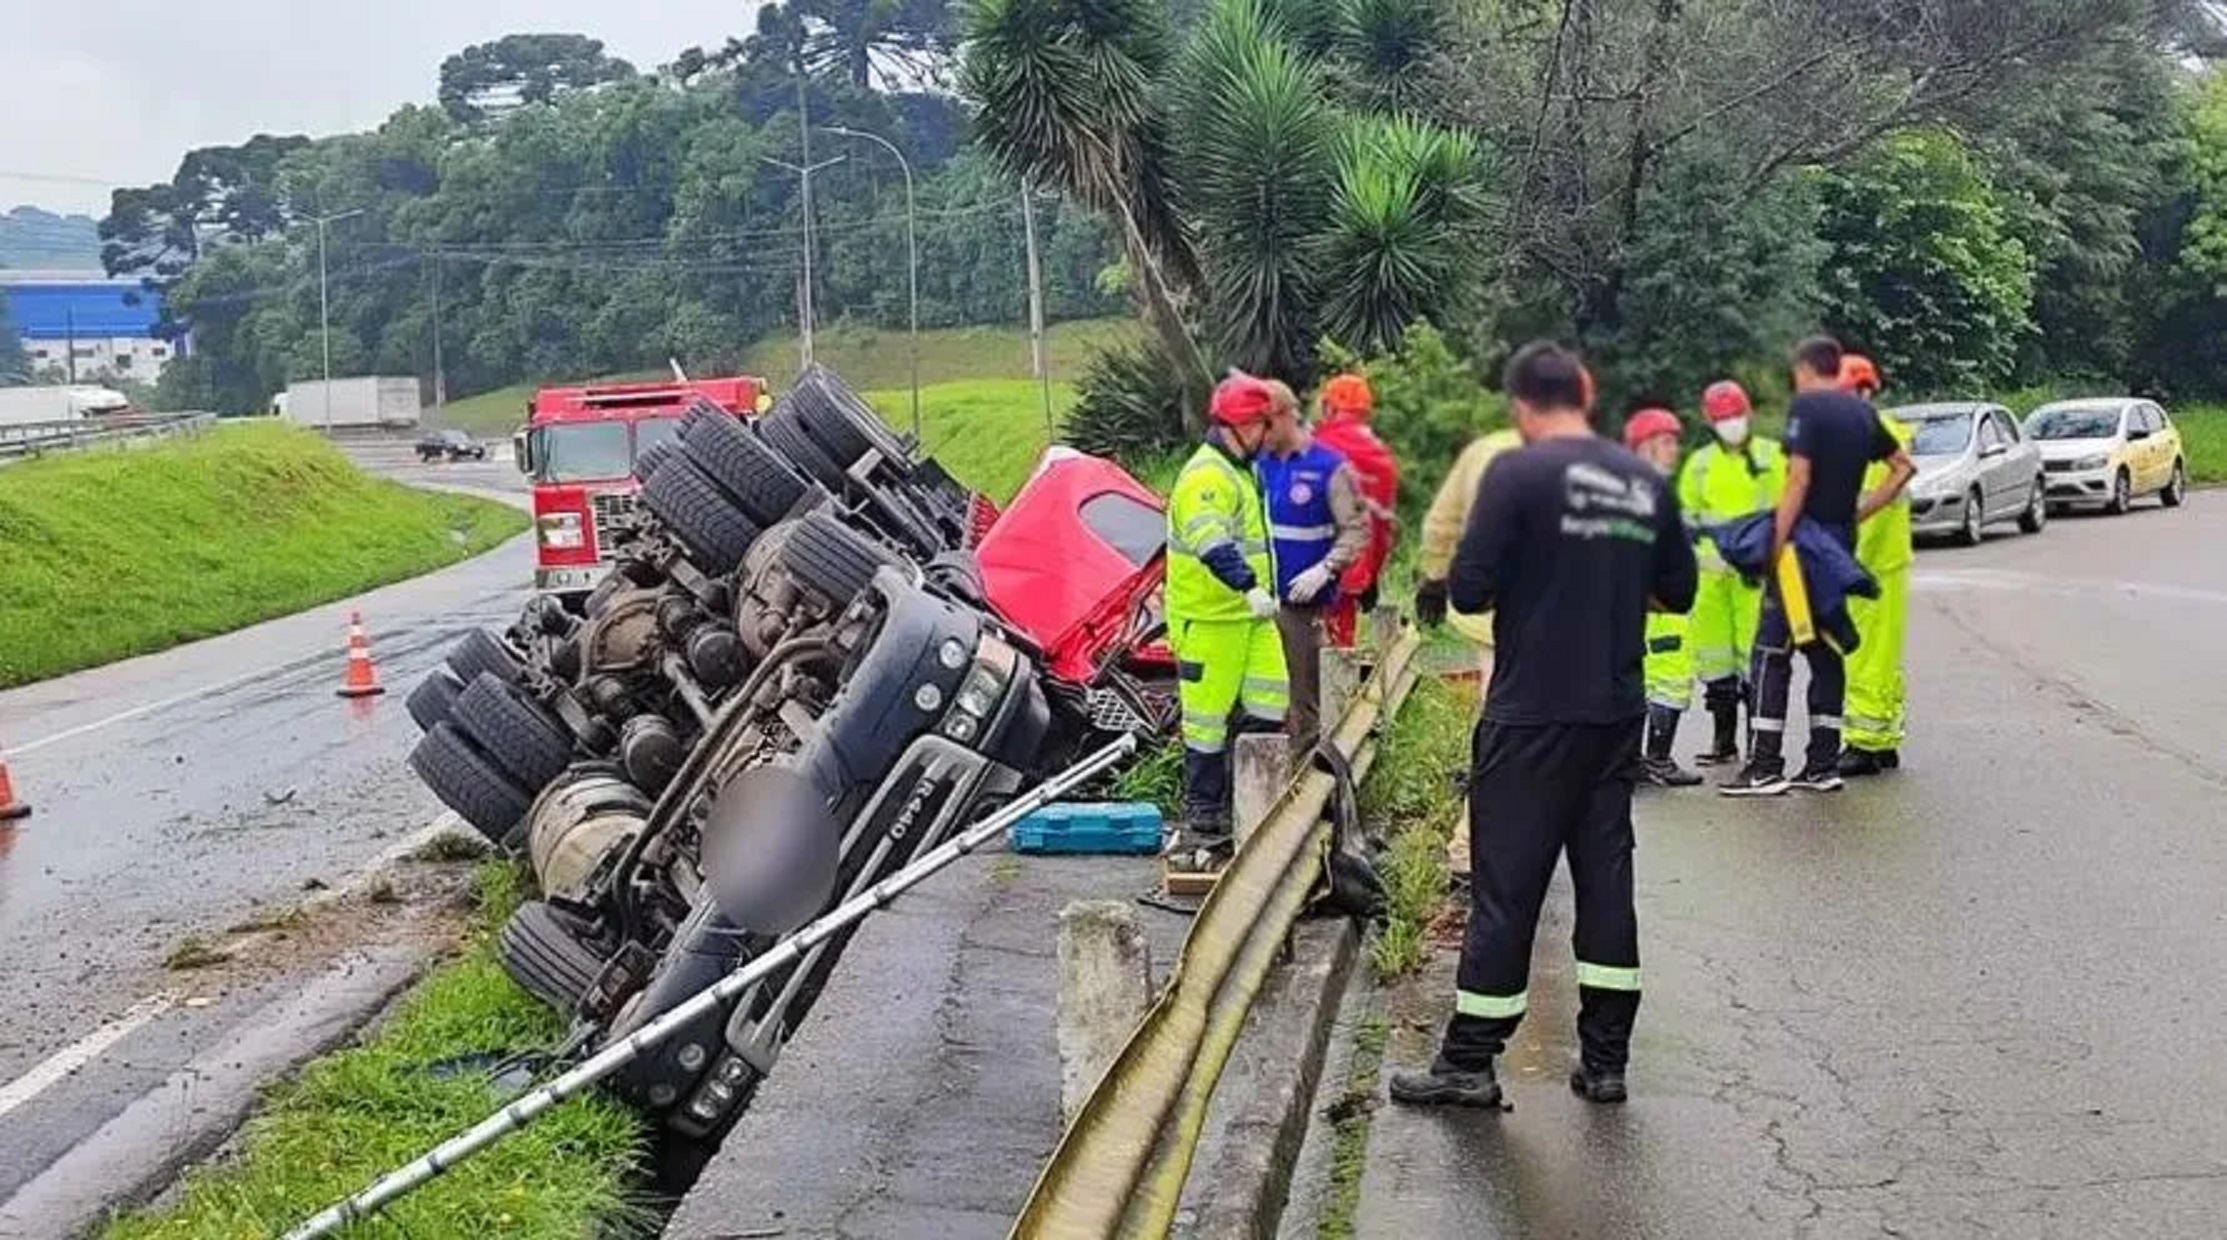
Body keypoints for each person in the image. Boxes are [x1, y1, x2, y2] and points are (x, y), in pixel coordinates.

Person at [1389, 342, 1698, 1111]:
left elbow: (1471, 583)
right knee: (1605, 881)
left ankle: (1468, 1062)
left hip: (1530, 714)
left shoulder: (1517, 474)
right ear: (1585, 398)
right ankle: (1605, 1062)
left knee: (1507, 886)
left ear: (1521, 407)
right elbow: (1680, 591)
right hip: (1613, 714)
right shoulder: (1639, 480)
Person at [1721, 337, 1914, 797]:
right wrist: (1857, 514)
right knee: (1825, 651)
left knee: (1772, 649)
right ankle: (1822, 764)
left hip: (1801, 550)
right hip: (1838, 546)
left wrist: (1776, 541)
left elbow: (1799, 478)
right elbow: (1903, 468)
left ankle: (1764, 766)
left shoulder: (1808, 408)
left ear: (1806, 370)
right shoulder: (1863, 415)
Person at [1165, 373, 1291, 837]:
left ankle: (1251, 798)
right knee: (1206, 723)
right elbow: (1209, 540)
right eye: (1262, 425)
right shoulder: (1207, 477)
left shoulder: (1240, 471)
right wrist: (1249, 585)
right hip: (1211, 619)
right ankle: (1205, 811)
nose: (1268, 434)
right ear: (1240, 426)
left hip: (1249, 617)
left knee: (1270, 699)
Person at [1257, 380, 1371, 753]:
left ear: (1288, 416)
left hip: (1302, 606)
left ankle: (1303, 771)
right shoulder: (1258, 465)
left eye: (1267, 423)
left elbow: (1357, 530)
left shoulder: (1330, 467)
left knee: (1303, 696)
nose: (1262, 433)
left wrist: (1326, 568)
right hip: (1258, 599)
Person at [1678, 380, 1788, 767]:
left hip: (1755, 580)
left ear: (1749, 414)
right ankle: (1723, 741)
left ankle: (1760, 746)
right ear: (1710, 421)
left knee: (1757, 665)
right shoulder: (1700, 464)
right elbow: (1686, 521)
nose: (1731, 424)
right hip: (1711, 581)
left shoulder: (1773, 457)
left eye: (1735, 416)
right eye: (1723, 418)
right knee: (1716, 664)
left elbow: (1787, 514)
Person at [1836, 354, 1912, 777]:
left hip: (1870, 563)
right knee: (1881, 656)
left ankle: (1865, 743)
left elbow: (1863, 504)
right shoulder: (1877, 432)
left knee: (1865, 656)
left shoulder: (1873, 437)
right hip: (1883, 563)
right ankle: (1884, 739)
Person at [1624, 407, 1703, 788]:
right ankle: (1655, 759)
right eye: (1668, 442)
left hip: (1648, 601)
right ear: (1645, 446)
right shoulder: (1644, 489)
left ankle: (1637, 760)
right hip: (1656, 605)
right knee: (1666, 679)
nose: (1676, 449)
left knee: (1647, 680)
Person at [1416, 425, 1524, 679]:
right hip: (1568, 608)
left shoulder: (1486, 450)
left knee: (1495, 678)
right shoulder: (1594, 458)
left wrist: (1435, 578)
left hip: (1493, 602)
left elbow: (1442, 523)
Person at [1311, 373, 1402, 649]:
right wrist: (1371, 576)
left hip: (1307, 567)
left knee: (1299, 655)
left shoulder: (1313, 447)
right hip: (1352, 571)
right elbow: (1383, 528)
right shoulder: (1381, 458)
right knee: (1339, 651)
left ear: (1329, 406)